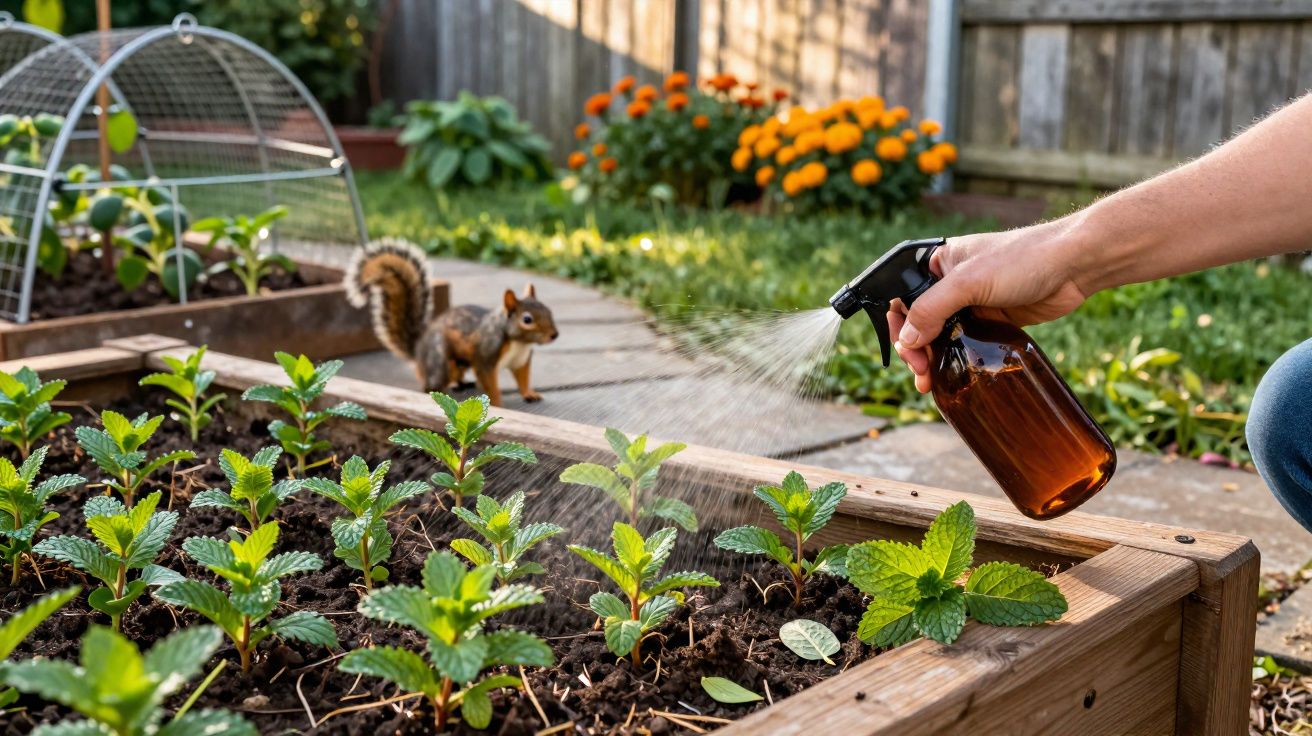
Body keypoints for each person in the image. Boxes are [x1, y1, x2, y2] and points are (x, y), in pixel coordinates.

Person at [886, 94, 1312, 531]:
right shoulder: (985, 347)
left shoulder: (996, 347)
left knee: (1294, 406)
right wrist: (1067, 256)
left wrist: (1063, 252)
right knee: (1295, 409)